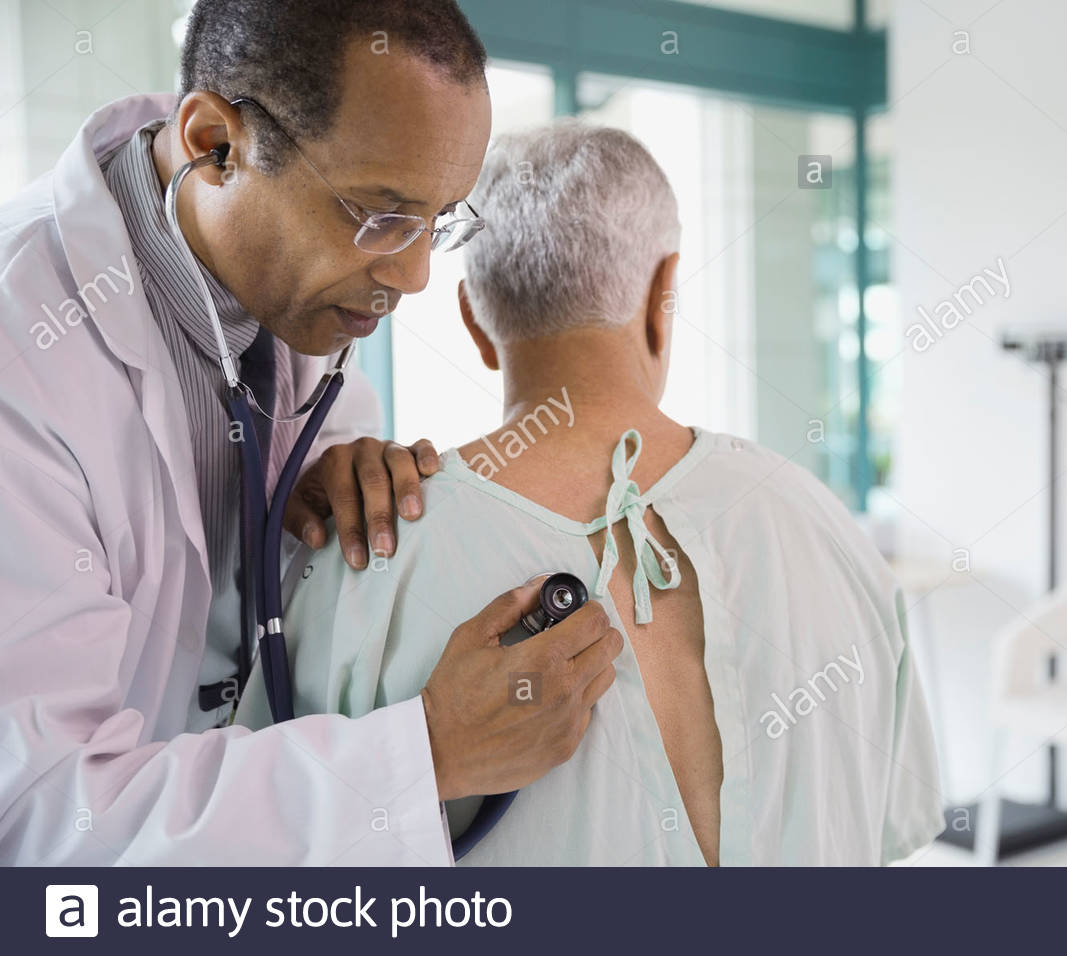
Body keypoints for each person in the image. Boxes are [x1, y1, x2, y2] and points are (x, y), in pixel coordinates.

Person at [0, 1, 620, 866]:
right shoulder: (23, 353)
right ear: (217, 144)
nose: (411, 277)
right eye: (378, 214)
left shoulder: (284, 312)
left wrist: (319, 487)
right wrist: (428, 755)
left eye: (439, 221)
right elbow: (41, 820)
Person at [235, 121, 947, 865]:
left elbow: (262, 875)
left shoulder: (365, 558)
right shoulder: (825, 530)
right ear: (663, 292)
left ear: (475, 321)